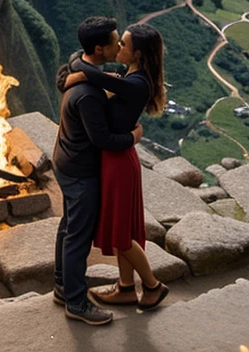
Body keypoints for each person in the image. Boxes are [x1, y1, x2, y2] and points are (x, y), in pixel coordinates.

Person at [63, 21, 169, 309]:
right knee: (122, 229)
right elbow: (86, 73)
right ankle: (125, 287)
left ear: (137, 55)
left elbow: (88, 73)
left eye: (123, 44)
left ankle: (152, 285)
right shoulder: (130, 74)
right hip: (116, 158)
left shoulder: (136, 83)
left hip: (118, 161)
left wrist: (75, 64)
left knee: (122, 235)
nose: (118, 47)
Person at [52, 16, 143, 326]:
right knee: (78, 236)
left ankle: (63, 287)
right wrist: (133, 137)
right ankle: (77, 303)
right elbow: (102, 139)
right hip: (80, 170)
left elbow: (69, 72)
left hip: (64, 159)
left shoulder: (80, 72)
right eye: (115, 41)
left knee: (68, 227)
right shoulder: (89, 93)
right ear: (99, 48)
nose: (119, 46)